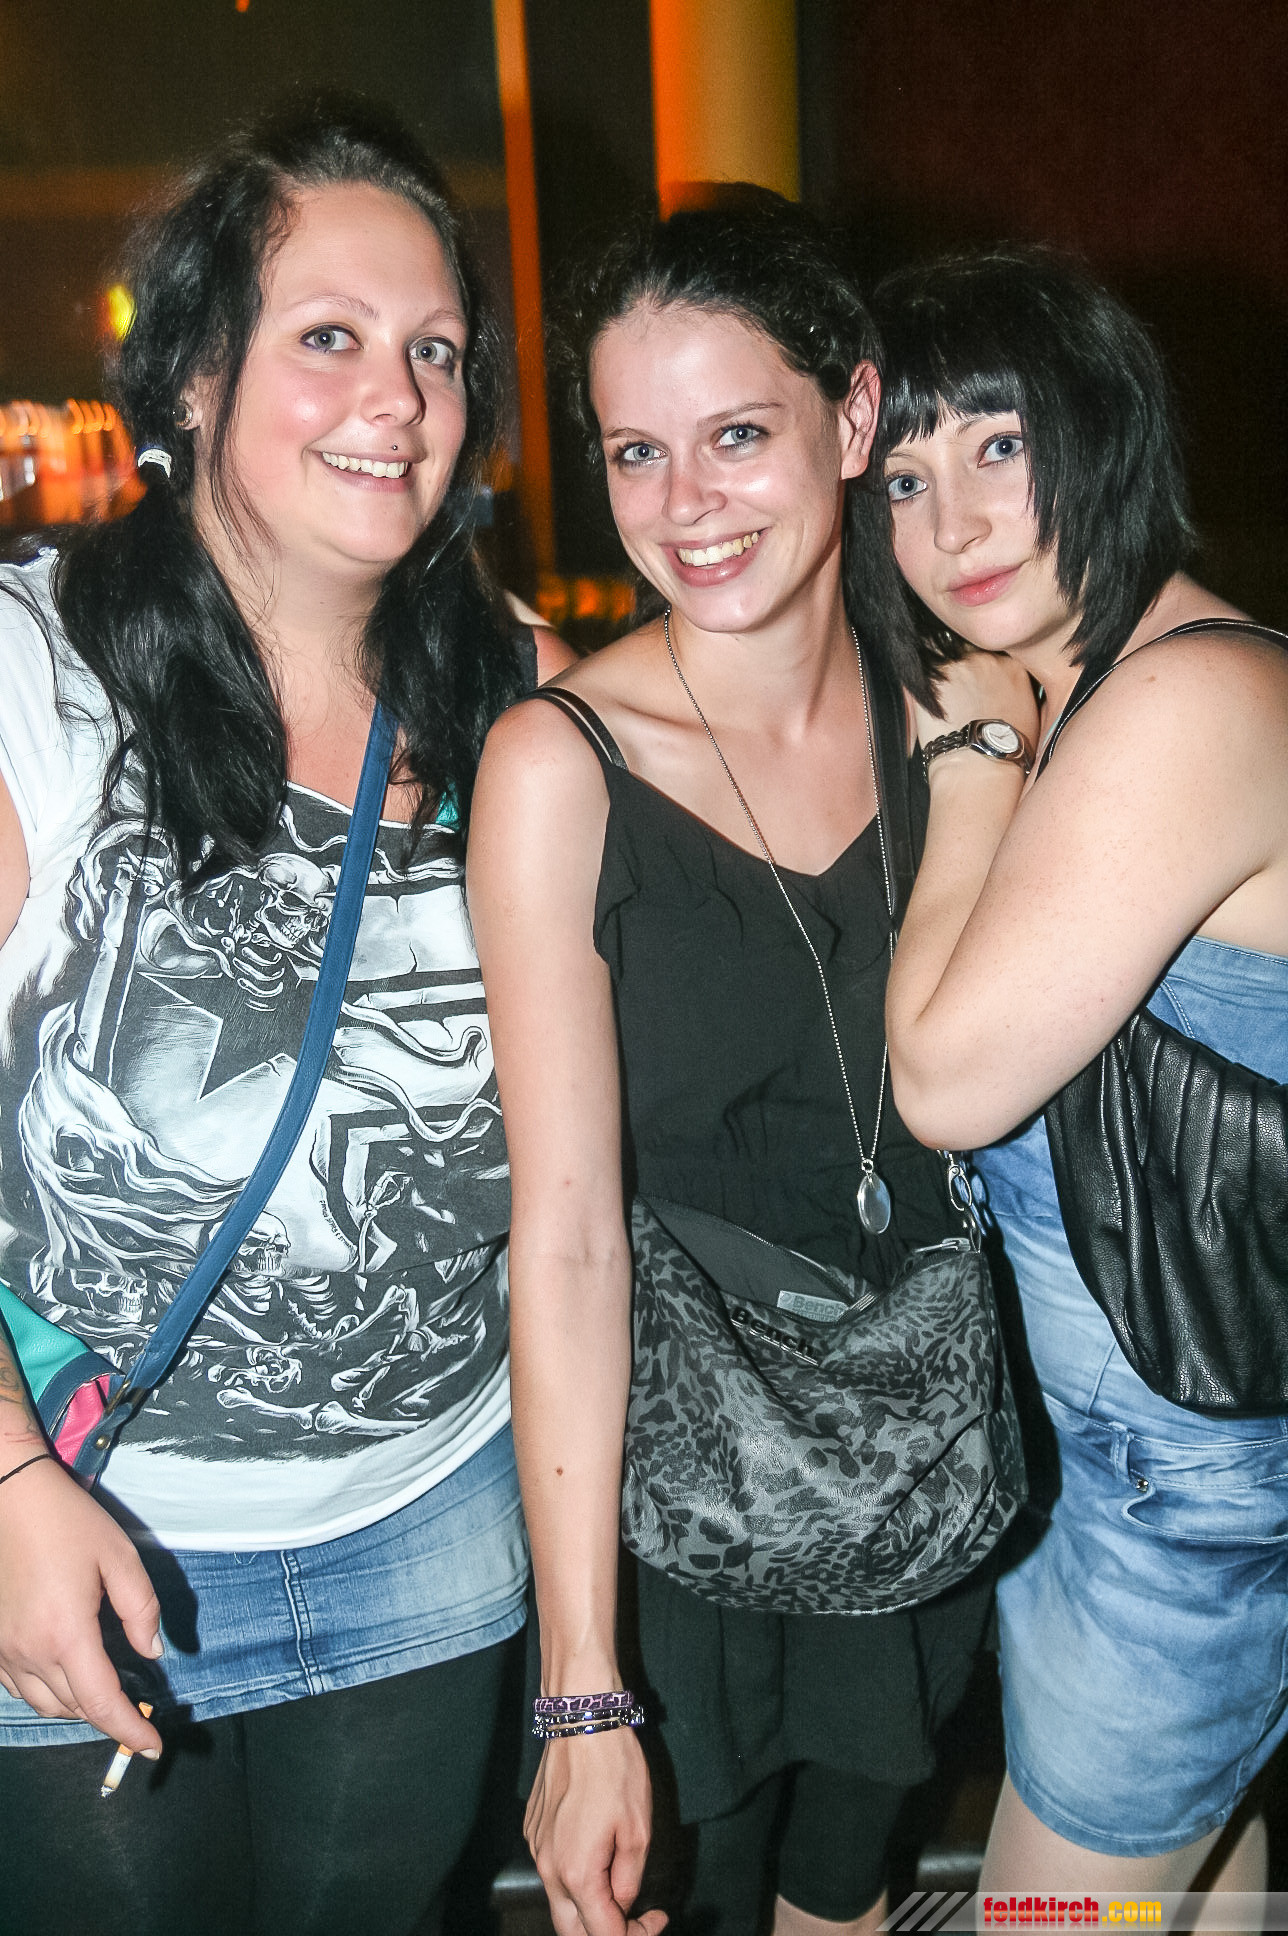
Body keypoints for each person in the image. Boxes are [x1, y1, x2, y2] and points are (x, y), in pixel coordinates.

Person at [0, 95, 569, 1934]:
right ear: (192, 379)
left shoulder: (527, 702)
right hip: (72, 1530)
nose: (395, 397)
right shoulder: (34, 675)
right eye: (328, 337)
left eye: (435, 351)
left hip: (428, 1531)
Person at [467, 194, 1008, 1936]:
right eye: (638, 451)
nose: (685, 503)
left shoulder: (975, 715)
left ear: (854, 418)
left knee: (851, 1896)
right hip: (674, 1506)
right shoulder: (560, 766)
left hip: (918, 1455)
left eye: (736, 435)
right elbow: (563, 1235)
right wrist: (581, 1690)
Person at [873, 248, 1288, 1896]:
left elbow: (945, 1080)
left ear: (1105, 428)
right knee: (1210, 1880)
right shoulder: (1105, 686)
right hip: (1131, 1454)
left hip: (1185, 1499)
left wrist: (972, 759)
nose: (953, 522)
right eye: (903, 478)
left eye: (1000, 443)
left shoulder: (1186, 697)